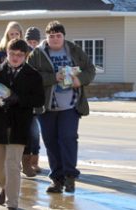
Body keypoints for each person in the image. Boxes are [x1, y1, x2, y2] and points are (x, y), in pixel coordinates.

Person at [28, 20, 96, 193]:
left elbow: (90, 69)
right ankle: (57, 180)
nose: (55, 39)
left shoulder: (73, 50)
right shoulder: (37, 53)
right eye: (51, 36)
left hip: (71, 105)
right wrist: (53, 78)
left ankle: (70, 177)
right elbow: (30, 77)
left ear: (64, 37)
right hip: (47, 107)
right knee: (51, 143)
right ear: (46, 37)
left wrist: (79, 80)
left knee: (68, 138)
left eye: (58, 36)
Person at [0, 39, 44, 210]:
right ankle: (4, 187)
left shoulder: (33, 75)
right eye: (12, 54)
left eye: (20, 55)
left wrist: (19, 99)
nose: (15, 58)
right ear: (6, 53)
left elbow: (39, 100)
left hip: (19, 125)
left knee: (13, 166)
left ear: (25, 56)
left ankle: (12, 203)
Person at [22, 27, 43, 176]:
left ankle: (34, 161)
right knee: (27, 134)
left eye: (35, 41)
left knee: (35, 134)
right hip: (24, 103)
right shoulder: (22, 54)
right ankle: (26, 162)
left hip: (38, 102)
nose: (32, 44)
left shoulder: (42, 55)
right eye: (30, 41)